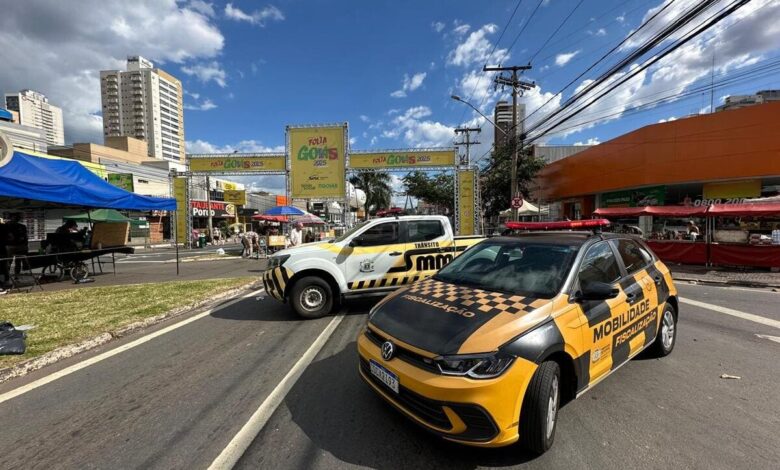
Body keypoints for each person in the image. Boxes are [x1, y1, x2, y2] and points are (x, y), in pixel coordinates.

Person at [4, 213, 28, 279]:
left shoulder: (22, 226)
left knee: (18, 262)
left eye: (17, 217)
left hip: (20, 246)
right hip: (10, 246)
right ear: (11, 218)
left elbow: (25, 237)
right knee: (8, 262)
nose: (16, 218)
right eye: (14, 217)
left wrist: (26, 245)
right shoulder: (6, 225)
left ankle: (16, 276)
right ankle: (6, 277)